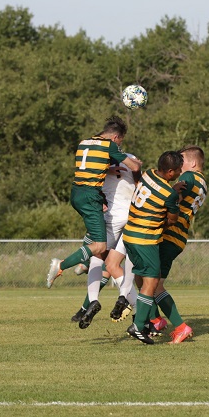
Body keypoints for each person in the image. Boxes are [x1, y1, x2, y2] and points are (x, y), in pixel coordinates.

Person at [46, 116, 142, 320]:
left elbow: (98, 167)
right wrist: (135, 165)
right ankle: (65, 265)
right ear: (116, 137)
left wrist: (109, 170)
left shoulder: (84, 143)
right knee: (104, 254)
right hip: (121, 211)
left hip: (81, 195)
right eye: (120, 141)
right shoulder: (111, 148)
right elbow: (133, 168)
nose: (119, 146)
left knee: (102, 257)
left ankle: (86, 301)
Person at [70, 159, 140, 328]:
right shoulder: (132, 160)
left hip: (113, 218)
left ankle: (91, 301)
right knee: (117, 264)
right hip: (133, 217)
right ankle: (138, 310)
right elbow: (138, 176)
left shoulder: (99, 163)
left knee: (99, 259)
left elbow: (92, 190)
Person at [149, 145, 208, 344]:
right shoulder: (202, 183)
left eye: (181, 160)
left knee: (154, 285)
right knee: (144, 279)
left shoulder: (190, 178)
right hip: (177, 236)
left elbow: (172, 196)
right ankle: (155, 320)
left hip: (171, 235)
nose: (178, 164)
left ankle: (180, 327)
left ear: (192, 163)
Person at [123, 151, 183, 344]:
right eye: (179, 170)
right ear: (171, 171)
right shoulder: (169, 194)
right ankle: (139, 326)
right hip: (145, 239)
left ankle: (151, 321)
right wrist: (175, 196)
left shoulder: (148, 174)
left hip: (129, 235)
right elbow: (172, 220)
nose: (182, 172)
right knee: (152, 283)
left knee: (142, 280)